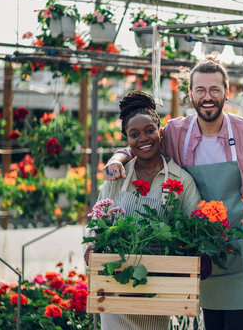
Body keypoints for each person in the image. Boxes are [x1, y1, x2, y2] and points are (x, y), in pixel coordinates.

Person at [103, 58, 243, 330]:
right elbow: (142, 141)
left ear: (226, 92)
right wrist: (118, 157)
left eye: (214, 90)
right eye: (200, 90)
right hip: (204, 251)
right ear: (190, 94)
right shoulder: (176, 131)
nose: (207, 97)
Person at [86, 91, 202, 330]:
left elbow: (195, 232)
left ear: (160, 130)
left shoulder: (182, 180)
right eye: (134, 134)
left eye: (149, 130)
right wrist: (91, 249)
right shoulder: (117, 177)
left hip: (157, 291)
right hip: (117, 287)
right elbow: (97, 224)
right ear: (126, 139)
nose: (143, 139)